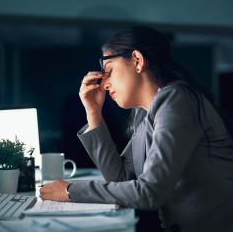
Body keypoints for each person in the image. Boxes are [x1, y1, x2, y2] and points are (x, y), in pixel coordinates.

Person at [40, 26, 233, 232]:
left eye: (109, 70)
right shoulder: (147, 111)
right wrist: (94, 115)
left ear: (137, 60)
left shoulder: (177, 100)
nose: (104, 84)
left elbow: (150, 193)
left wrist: (71, 190)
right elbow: (121, 178)